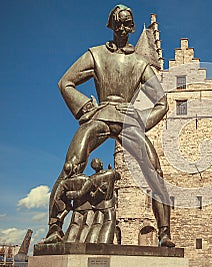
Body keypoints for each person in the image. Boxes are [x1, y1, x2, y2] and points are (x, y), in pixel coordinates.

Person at [45, 4, 174, 247]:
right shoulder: (96, 55)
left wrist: (140, 118)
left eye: (128, 23)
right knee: (72, 164)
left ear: (133, 27)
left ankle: (164, 233)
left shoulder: (140, 63)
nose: (123, 27)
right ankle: (54, 227)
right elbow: (66, 82)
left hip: (127, 121)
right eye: (119, 22)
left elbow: (162, 102)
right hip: (101, 116)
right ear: (111, 25)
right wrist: (86, 109)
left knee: (155, 173)